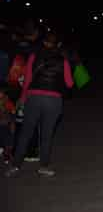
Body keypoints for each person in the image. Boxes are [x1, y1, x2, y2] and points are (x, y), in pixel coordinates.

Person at [5, 32, 74, 178]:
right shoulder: (63, 61)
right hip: (53, 100)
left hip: (34, 98)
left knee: (25, 133)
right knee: (46, 134)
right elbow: (69, 83)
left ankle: (15, 166)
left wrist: (23, 98)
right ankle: (44, 166)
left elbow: (28, 80)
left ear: (44, 43)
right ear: (58, 45)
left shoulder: (33, 57)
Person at [0, 83, 16, 164]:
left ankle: (7, 155)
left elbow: (13, 114)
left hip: (6, 125)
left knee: (8, 141)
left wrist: (12, 123)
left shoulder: (9, 103)